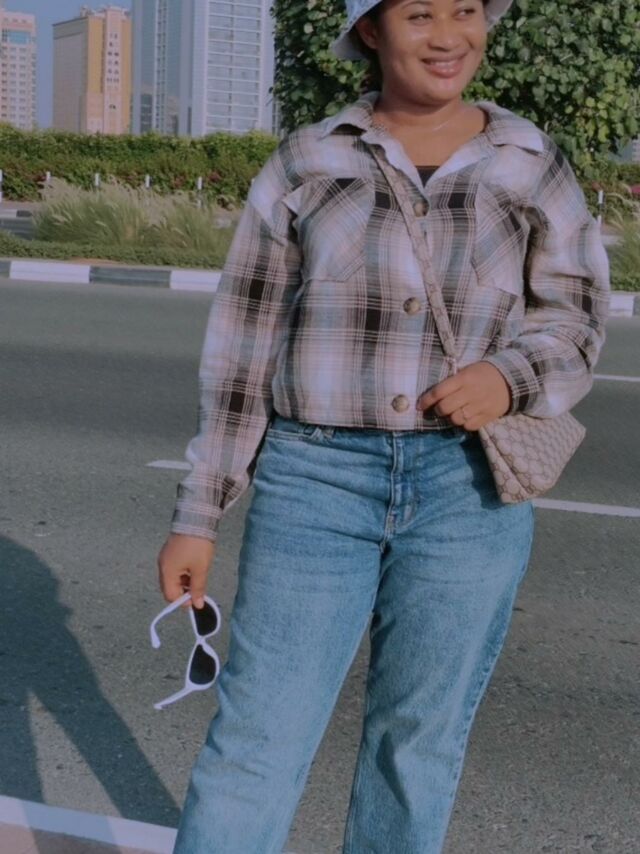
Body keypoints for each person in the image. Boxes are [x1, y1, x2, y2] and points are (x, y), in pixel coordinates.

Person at [157, 0, 610, 850]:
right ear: (371, 29)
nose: (449, 36)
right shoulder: (308, 159)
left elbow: (577, 317)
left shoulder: (530, 161)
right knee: (257, 738)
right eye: (420, 13)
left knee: (416, 747)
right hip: (314, 480)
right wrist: (198, 514)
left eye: (466, 10)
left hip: (467, 488)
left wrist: (507, 377)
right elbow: (243, 350)